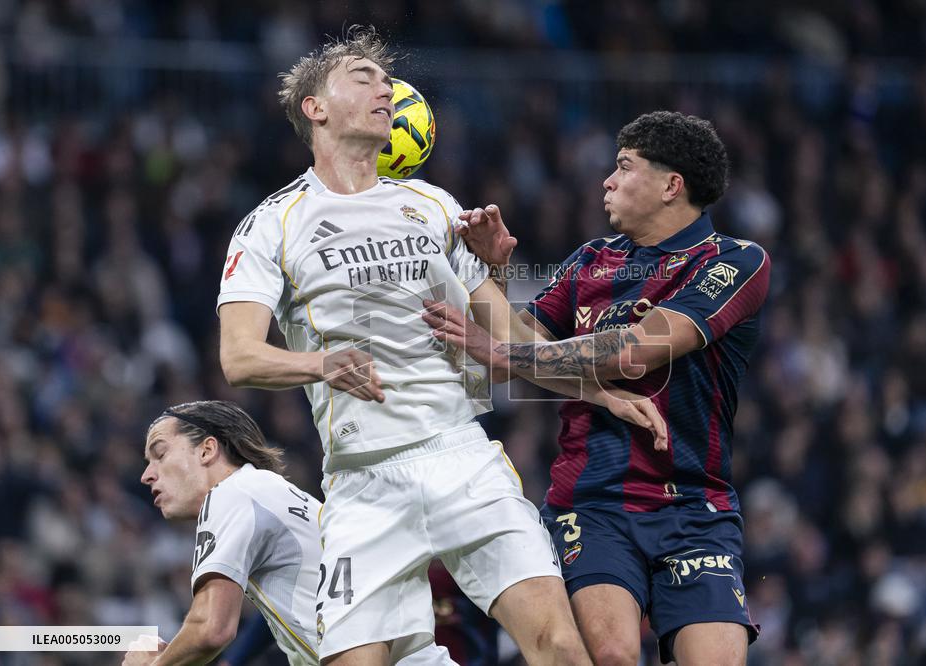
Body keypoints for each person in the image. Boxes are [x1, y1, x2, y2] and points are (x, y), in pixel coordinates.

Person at [215, 27, 664, 666]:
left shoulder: (434, 208)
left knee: (561, 646)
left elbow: (506, 336)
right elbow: (239, 357)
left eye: (386, 79)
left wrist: (599, 392)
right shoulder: (272, 225)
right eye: (362, 77)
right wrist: (322, 362)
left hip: (459, 455)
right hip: (362, 478)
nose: (384, 88)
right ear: (314, 108)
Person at [422, 110, 770, 665]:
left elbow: (635, 350)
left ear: (670, 185)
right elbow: (519, 352)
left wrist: (502, 352)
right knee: (611, 656)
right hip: (594, 502)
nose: (607, 180)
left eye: (624, 167)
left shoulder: (734, 261)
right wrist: (493, 270)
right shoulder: (591, 261)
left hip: (694, 505)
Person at [124, 400, 456, 666]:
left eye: (160, 453)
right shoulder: (265, 492)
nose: (147, 475)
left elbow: (210, 629)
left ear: (207, 450)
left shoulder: (230, 494)